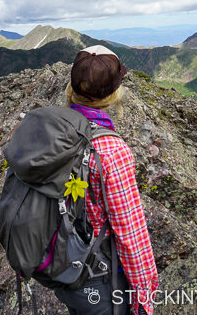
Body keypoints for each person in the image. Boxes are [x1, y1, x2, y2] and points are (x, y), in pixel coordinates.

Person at [53, 45, 159, 315]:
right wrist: (144, 300)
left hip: (58, 262)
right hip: (95, 275)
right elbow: (130, 234)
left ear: (72, 88)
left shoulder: (53, 130)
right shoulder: (112, 151)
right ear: (114, 93)